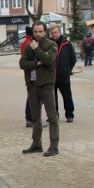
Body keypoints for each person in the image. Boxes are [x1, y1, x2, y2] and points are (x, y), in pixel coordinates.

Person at [19, 20, 59, 157]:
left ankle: (54, 146)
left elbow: (49, 60)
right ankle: (36, 144)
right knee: (35, 117)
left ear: (45, 32)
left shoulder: (51, 44)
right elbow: (22, 63)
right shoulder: (28, 46)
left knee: (52, 116)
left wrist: (37, 49)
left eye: (40, 31)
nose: (38, 34)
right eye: (35, 31)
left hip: (46, 84)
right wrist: (36, 63)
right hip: (32, 84)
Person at [50, 26, 76, 123]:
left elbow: (73, 58)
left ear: (60, 32)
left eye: (55, 32)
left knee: (67, 96)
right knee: (52, 98)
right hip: (51, 76)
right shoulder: (49, 44)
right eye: (52, 33)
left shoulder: (67, 44)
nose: (54, 35)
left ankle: (69, 115)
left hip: (63, 75)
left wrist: (68, 70)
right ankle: (54, 115)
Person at [20, 26, 33, 127]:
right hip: (31, 72)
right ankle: (30, 118)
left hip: (27, 71)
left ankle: (30, 118)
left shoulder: (24, 42)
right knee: (33, 96)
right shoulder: (30, 43)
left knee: (31, 95)